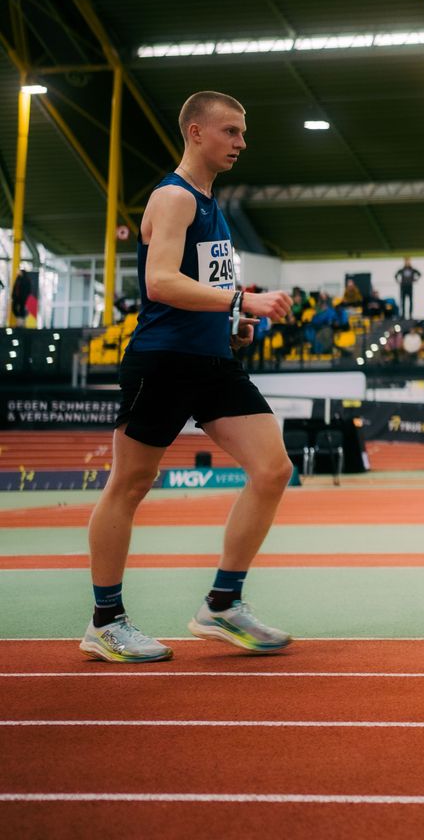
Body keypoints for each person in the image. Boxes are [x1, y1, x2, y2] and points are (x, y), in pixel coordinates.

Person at [82, 91, 295, 663]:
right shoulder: (174, 198)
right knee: (130, 484)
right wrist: (242, 301)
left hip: (212, 362)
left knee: (273, 468)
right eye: (230, 131)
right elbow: (160, 283)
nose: (241, 143)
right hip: (163, 361)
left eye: (243, 133)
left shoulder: (211, 204)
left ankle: (222, 604)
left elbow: (196, 288)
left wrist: (230, 323)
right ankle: (106, 621)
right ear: (195, 132)